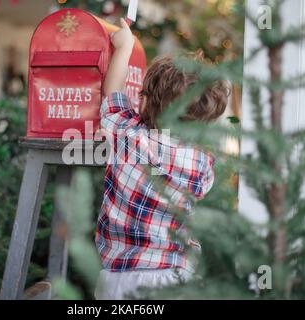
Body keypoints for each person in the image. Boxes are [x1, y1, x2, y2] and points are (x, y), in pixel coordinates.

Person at [94, 18, 229, 300]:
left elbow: (113, 94)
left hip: (122, 277)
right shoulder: (203, 163)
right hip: (178, 275)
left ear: (146, 101)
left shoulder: (128, 136)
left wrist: (124, 47)